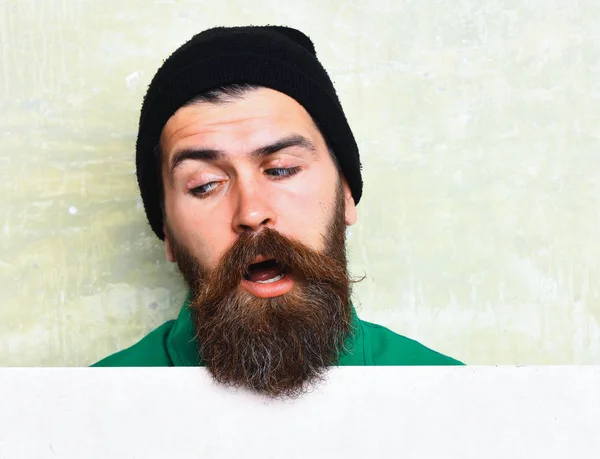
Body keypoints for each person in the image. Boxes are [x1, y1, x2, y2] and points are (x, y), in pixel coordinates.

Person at [93, 25, 463, 397]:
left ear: (346, 195)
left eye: (282, 169)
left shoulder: (458, 399)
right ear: (167, 232)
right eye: (204, 184)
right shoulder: (84, 406)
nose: (252, 213)